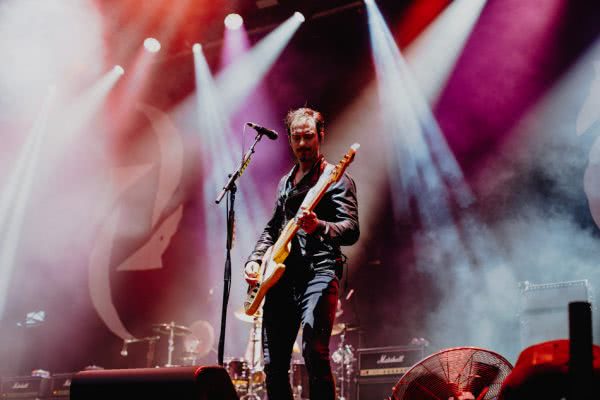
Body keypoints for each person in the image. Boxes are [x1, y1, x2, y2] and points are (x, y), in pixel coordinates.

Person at [244, 107, 359, 400]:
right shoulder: (285, 182)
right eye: (297, 138)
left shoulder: (336, 179)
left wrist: (318, 226)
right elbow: (274, 228)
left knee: (314, 351)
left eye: (308, 137)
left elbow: (351, 229)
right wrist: (256, 260)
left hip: (319, 272)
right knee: (273, 363)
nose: (303, 144)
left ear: (320, 136)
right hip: (281, 278)